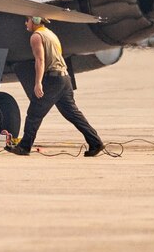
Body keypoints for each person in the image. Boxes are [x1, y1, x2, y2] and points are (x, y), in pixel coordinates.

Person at [8, 15, 104, 157]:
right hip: (65, 78)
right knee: (73, 114)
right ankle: (96, 143)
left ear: (34, 21)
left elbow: (40, 60)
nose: (25, 23)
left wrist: (38, 82)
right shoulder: (49, 33)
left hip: (53, 80)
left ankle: (24, 147)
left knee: (34, 114)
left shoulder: (36, 36)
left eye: (27, 20)